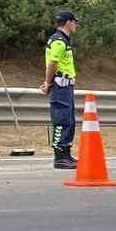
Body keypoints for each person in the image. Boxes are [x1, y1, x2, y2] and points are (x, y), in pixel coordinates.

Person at [39, 10, 80, 170]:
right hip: (60, 86)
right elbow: (53, 63)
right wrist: (48, 83)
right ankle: (60, 157)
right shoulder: (58, 41)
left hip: (66, 85)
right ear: (68, 23)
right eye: (74, 22)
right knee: (61, 120)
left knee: (69, 120)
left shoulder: (64, 40)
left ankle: (66, 154)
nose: (76, 25)